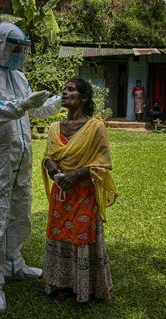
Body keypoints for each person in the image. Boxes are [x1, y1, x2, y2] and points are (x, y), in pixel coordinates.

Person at [0, 22, 63, 313]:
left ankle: (13, 263)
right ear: (2, 45)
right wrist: (21, 104)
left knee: (19, 215)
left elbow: (30, 109)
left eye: (23, 49)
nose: (20, 53)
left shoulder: (19, 76)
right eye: (15, 48)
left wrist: (53, 104)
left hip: (20, 160)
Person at [41, 78, 118, 304]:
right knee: (60, 235)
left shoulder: (95, 127)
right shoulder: (55, 128)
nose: (64, 93)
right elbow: (48, 158)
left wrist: (74, 175)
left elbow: (102, 164)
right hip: (61, 193)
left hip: (84, 193)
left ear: (83, 98)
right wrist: (55, 172)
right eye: (63, 89)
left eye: (71, 90)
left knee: (81, 236)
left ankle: (85, 287)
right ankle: (61, 284)